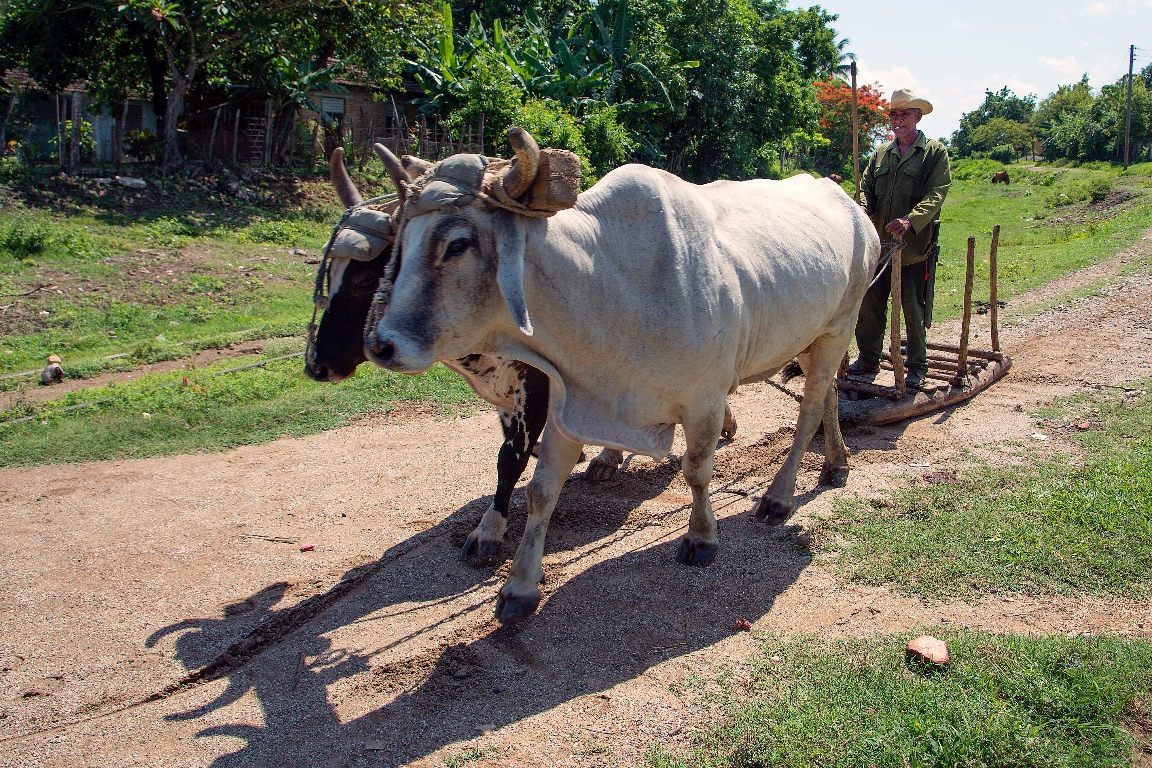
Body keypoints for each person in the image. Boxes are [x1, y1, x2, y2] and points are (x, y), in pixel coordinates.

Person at [848, 88, 951, 389]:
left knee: (912, 306)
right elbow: (866, 189)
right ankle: (868, 358)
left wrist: (910, 220)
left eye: (904, 113)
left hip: (912, 249)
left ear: (918, 116)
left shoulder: (933, 153)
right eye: (894, 114)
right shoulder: (880, 154)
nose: (898, 119)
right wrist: (863, 210)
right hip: (878, 247)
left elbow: (937, 193)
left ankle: (918, 364)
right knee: (869, 304)